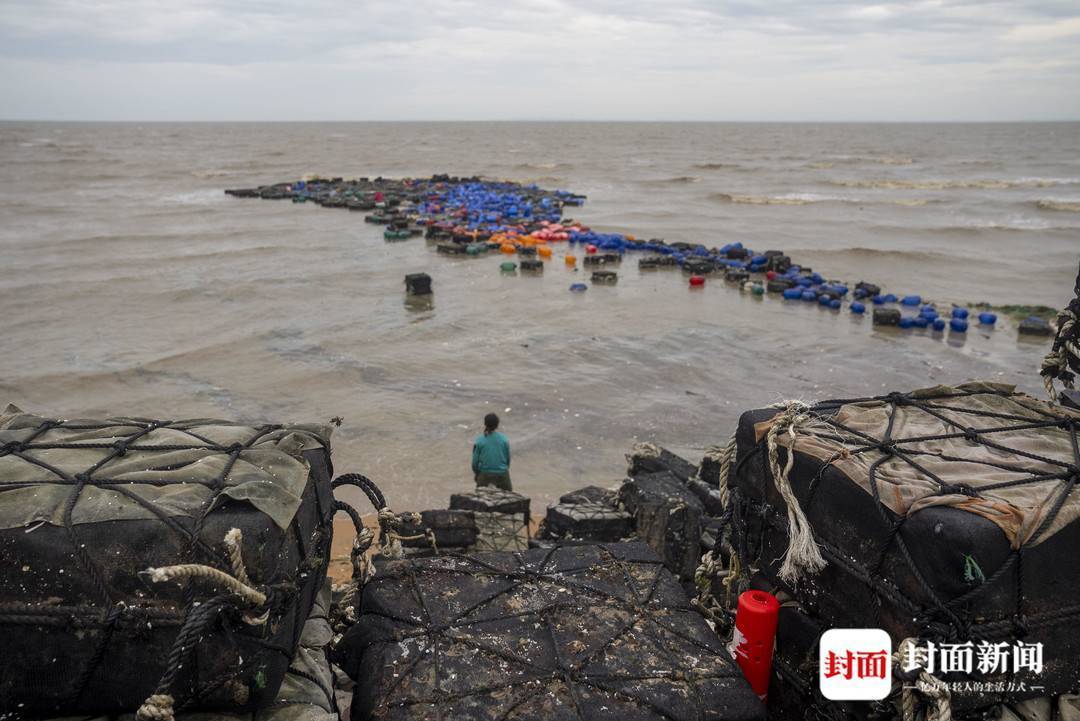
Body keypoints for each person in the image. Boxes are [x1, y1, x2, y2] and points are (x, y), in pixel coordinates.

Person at [471, 413, 512, 491]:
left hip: (485, 473)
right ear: (497, 425)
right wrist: (503, 470)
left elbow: (474, 463)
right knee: (509, 496)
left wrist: (477, 474)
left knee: (479, 497)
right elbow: (508, 460)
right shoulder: (504, 439)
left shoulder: (480, 441)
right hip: (502, 473)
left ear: (485, 424)